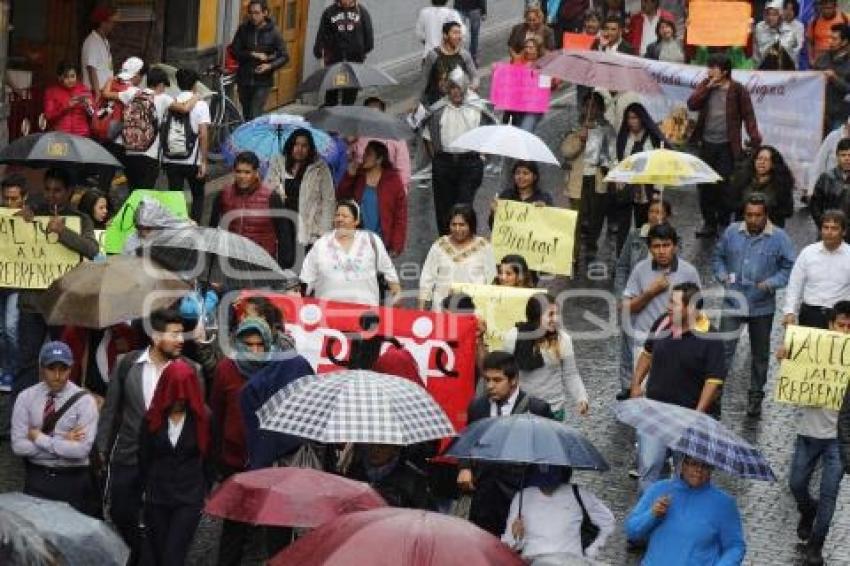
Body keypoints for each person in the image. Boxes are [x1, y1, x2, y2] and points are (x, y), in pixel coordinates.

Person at [95, 308, 199, 565]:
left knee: (159, 521)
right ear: (155, 336)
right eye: (174, 334)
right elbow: (111, 409)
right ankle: (139, 551)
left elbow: (198, 420)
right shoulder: (126, 364)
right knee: (120, 511)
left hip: (165, 462)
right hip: (128, 455)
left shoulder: (191, 371)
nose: (181, 340)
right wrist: (101, 449)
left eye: (182, 334)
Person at [630, 283, 726, 493]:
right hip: (654, 413)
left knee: (685, 476)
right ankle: (649, 508)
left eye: (673, 303)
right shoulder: (662, 323)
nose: (668, 307)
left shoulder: (712, 338)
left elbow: (713, 382)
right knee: (649, 467)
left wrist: (697, 414)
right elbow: (647, 354)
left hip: (687, 418)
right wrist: (635, 384)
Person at [14, 168, 99, 397]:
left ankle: (63, 408)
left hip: (64, 304)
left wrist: (64, 233)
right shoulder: (32, 213)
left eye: (58, 190)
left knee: (64, 360)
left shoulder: (81, 219)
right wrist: (21, 220)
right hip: (32, 303)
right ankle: (19, 412)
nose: (51, 195)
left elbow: (92, 250)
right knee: (26, 361)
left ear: (69, 192)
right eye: (48, 189)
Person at [713, 195, 796, 417]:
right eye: (749, 215)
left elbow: (790, 267)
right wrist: (722, 275)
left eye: (757, 215)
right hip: (732, 302)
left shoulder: (780, 238)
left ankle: (756, 396)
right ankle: (714, 395)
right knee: (722, 351)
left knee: (760, 355)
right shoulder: (731, 232)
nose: (752, 220)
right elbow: (718, 257)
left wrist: (771, 283)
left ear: (766, 215)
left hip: (762, 306)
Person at [457, 351, 554, 536]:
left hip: (519, 500)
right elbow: (467, 440)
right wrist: (465, 467)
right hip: (483, 499)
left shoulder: (536, 409)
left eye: (497, 380)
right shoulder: (478, 407)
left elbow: (551, 457)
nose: (490, 386)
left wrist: (541, 497)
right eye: (487, 380)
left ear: (514, 380)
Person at [783, 302, 850, 565]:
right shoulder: (812, 348)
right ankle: (807, 510)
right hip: (809, 433)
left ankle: (816, 546)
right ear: (830, 325)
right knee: (796, 483)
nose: (845, 331)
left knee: (829, 494)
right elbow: (793, 380)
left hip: (838, 440)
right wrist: (786, 358)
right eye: (841, 325)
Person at [211, 317, 279, 565]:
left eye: (260, 345)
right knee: (234, 525)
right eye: (249, 344)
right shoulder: (226, 370)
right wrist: (216, 460)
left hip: (267, 462)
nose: (255, 350)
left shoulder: (275, 370)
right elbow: (217, 414)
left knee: (266, 525)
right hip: (235, 461)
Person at [11, 341, 97, 514]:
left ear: (71, 368)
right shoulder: (26, 397)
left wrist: (39, 438)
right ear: (42, 368)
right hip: (37, 477)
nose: (57, 375)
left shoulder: (85, 401)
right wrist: (63, 441)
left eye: (63, 369)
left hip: (73, 478)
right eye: (51, 368)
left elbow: (81, 450)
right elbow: (19, 446)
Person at [139, 360, 211, 566]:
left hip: (189, 496)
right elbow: (144, 456)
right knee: (159, 552)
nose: (179, 400)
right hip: (157, 496)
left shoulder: (203, 418)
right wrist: (146, 488)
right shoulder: (152, 417)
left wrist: (204, 491)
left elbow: (210, 457)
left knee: (174, 556)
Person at [621, 223, 700, 401]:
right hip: (644, 341)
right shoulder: (640, 269)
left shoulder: (689, 272)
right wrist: (650, 292)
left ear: (675, 246)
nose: (662, 251)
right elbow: (626, 307)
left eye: (666, 245)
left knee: (671, 398)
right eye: (656, 246)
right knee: (641, 398)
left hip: (677, 343)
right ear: (649, 249)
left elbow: (697, 309)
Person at [687, 54, 762, 237]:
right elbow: (692, 104)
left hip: (727, 146)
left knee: (724, 185)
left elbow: (749, 115)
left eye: (714, 68)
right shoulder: (706, 85)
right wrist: (707, 88)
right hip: (706, 144)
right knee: (704, 184)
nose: (710, 71)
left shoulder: (738, 90)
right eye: (709, 67)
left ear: (725, 71)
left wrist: (754, 138)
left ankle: (723, 221)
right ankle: (709, 222)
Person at [625, 455, 746, 564]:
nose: (699, 470)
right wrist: (651, 515)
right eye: (693, 463)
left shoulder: (723, 504)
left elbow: (735, 546)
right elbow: (632, 531)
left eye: (705, 466)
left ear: (711, 469)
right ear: (682, 465)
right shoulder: (659, 489)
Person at [421, 69, 492, 234]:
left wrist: (482, 158)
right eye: (452, 88)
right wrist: (436, 160)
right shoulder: (438, 110)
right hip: (444, 162)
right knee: (443, 208)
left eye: (459, 87)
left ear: (465, 88)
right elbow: (427, 136)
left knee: (464, 206)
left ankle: (465, 239)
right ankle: (446, 240)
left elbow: (488, 133)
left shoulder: (477, 108)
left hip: (470, 163)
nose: (456, 92)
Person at [613, 198, 671, 399]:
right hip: (633, 298)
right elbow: (622, 266)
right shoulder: (635, 236)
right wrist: (620, 294)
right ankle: (627, 384)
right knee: (628, 343)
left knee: (652, 343)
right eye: (652, 211)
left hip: (657, 300)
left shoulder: (670, 241)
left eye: (660, 212)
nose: (655, 216)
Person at [502, 465, 616, 562]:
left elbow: (607, 521)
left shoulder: (578, 493)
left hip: (569, 561)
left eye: (551, 481)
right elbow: (508, 544)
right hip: (534, 560)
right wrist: (516, 536)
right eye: (542, 482)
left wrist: (592, 550)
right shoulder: (522, 497)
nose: (546, 486)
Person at [503, 293, 589, 421]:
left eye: (557, 314)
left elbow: (570, 374)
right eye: (551, 314)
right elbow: (504, 372)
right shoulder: (514, 337)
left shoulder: (563, 339)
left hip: (553, 410)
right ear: (536, 316)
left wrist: (581, 397)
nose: (556, 319)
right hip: (522, 409)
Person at [300, 200, 401, 306]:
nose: (340, 219)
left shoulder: (371, 240)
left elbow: (389, 272)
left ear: (356, 221)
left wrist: (396, 296)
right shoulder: (321, 244)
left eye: (345, 216)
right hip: (328, 311)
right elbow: (307, 277)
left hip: (366, 311)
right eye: (337, 215)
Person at [209, 151, 295, 268]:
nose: (242, 176)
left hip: (262, 263)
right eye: (238, 171)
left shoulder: (271, 197)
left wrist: (284, 265)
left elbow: (283, 232)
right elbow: (212, 228)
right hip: (232, 260)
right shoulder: (224, 194)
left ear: (256, 172)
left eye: (247, 172)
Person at [264, 127, 335, 255]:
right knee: (286, 261)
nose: (299, 149)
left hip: (310, 227)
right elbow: (266, 189)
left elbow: (328, 201)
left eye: (304, 146)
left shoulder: (320, 168)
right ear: (291, 145)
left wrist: (324, 232)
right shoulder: (278, 163)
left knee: (305, 262)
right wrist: (278, 189)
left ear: (310, 148)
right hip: (284, 224)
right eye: (296, 144)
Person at [104, 65, 173, 191]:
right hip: (149, 155)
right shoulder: (164, 98)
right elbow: (184, 108)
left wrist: (110, 80)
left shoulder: (132, 93)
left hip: (130, 152)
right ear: (161, 84)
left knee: (133, 193)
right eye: (164, 87)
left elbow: (106, 94)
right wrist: (196, 96)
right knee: (145, 195)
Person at [419, 204, 497, 310]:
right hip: (442, 309)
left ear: (471, 225)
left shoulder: (484, 247)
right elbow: (427, 277)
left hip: (475, 309)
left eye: (462, 225)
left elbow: (492, 279)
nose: (457, 229)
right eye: (453, 224)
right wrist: (421, 308)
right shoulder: (439, 245)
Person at [338, 140, 408, 256]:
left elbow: (400, 216)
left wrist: (396, 245)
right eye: (365, 152)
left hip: (381, 243)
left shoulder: (393, 181)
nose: (364, 156)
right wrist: (349, 176)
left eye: (369, 154)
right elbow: (341, 198)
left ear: (379, 159)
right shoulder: (358, 175)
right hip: (357, 240)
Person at [783, 210, 850, 329]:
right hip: (810, 315)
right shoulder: (808, 253)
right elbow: (795, 284)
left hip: (841, 318)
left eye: (834, 228)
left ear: (843, 232)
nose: (829, 232)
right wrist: (790, 312)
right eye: (826, 227)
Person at [614, 102, 668, 248]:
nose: (632, 122)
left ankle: (643, 254)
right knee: (623, 226)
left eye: (635, 118)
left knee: (644, 225)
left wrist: (657, 190)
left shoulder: (652, 138)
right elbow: (618, 157)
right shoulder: (624, 137)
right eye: (629, 118)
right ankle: (622, 255)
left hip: (646, 188)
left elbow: (659, 165)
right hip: (626, 186)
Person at [163, 68, 210, 225]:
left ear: (177, 83)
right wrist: (204, 161)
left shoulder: (171, 102)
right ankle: (194, 229)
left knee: (175, 198)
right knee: (198, 195)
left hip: (171, 159)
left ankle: (177, 229)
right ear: (195, 84)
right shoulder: (201, 105)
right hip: (192, 160)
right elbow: (203, 134)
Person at [231, 0, 289, 120]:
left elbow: (284, 56)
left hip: (263, 81)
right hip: (244, 79)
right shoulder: (243, 29)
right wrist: (252, 54)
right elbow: (235, 51)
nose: (253, 16)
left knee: (255, 113)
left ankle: (255, 131)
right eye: (251, 13)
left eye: (257, 13)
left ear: (265, 13)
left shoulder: (274, 32)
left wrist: (269, 66)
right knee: (247, 114)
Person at [313, 0, 374, 106]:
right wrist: (319, 52)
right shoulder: (329, 12)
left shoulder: (362, 12)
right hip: (334, 60)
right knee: (332, 91)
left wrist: (360, 51)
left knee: (350, 93)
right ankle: (331, 112)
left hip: (354, 60)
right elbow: (322, 34)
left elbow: (369, 38)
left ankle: (346, 113)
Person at [350, 97, 413, 193]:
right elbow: (351, 161)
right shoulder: (358, 135)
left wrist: (402, 190)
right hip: (362, 188)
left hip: (387, 188)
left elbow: (403, 167)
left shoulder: (395, 137)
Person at [347, 444, 434, 509]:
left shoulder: (413, 479)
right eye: (372, 444)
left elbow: (424, 513)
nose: (375, 450)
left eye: (382, 446)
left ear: (395, 450)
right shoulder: (355, 471)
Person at [0, 176, 26, 395]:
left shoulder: (31, 217)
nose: (9, 203)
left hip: (18, 283)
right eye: (6, 198)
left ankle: (14, 370)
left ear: (23, 198)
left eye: (14, 198)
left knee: (11, 327)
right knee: (1, 330)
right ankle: (5, 368)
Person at [731, 145, 795, 227]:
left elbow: (788, 211)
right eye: (759, 158)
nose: (762, 162)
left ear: (773, 164)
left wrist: (765, 210)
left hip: (770, 228)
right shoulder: (742, 180)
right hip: (743, 226)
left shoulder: (782, 184)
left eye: (766, 160)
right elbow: (732, 203)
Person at [421, 21, 479, 107]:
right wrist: (418, 102)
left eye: (459, 33)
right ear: (445, 35)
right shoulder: (433, 55)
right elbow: (424, 81)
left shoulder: (464, 54)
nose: (459, 36)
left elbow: (474, 76)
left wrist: (473, 85)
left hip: (459, 100)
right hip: (438, 103)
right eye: (455, 33)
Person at [489, 160, 553, 228]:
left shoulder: (544, 198)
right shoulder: (506, 195)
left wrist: (545, 211)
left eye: (525, 173)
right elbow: (493, 227)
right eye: (517, 173)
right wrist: (493, 212)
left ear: (534, 177)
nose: (520, 177)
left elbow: (551, 226)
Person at [813, 23, 850, 135]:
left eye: (834, 39)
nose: (830, 41)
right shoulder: (822, 58)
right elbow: (811, 79)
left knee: (835, 143)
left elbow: (848, 89)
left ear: (844, 42)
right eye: (830, 38)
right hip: (819, 114)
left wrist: (834, 78)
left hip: (839, 115)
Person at [43, 62, 93, 137]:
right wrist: (66, 106)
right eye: (66, 77)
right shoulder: (51, 92)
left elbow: (93, 114)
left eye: (72, 76)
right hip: (60, 135)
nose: (70, 80)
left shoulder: (83, 89)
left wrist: (88, 106)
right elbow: (49, 116)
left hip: (82, 135)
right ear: (59, 77)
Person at [811, 139, 850, 233]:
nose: (847, 159)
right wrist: (824, 225)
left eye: (849, 155)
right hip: (830, 231)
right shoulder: (826, 178)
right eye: (843, 155)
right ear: (837, 156)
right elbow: (815, 206)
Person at [808, 117, 850, 198]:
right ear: (847, 126)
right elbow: (818, 164)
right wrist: (811, 190)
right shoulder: (833, 137)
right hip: (828, 188)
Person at [80, 5, 117, 95]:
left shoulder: (105, 41)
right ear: (103, 23)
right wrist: (97, 93)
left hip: (105, 91)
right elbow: (91, 68)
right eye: (111, 22)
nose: (113, 25)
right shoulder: (92, 41)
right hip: (96, 92)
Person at [754, 0, 801, 67]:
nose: (770, 18)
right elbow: (758, 53)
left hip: (785, 69)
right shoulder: (760, 28)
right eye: (768, 14)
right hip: (764, 69)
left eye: (774, 15)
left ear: (781, 16)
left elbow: (791, 55)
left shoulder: (790, 31)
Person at [807, 0, 848, 67]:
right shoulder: (814, 22)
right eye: (824, 8)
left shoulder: (845, 19)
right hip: (819, 62)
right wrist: (811, 59)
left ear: (835, 7)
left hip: (840, 61)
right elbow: (809, 42)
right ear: (820, 7)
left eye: (829, 8)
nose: (826, 11)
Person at [783, 0, 806, 67]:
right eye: (786, 9)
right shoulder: (778, 23)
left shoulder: (799, 26)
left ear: (795, 11)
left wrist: (788, 55)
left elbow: (799, 45)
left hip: (792, 62)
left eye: (791, 9)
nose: (788, 12)